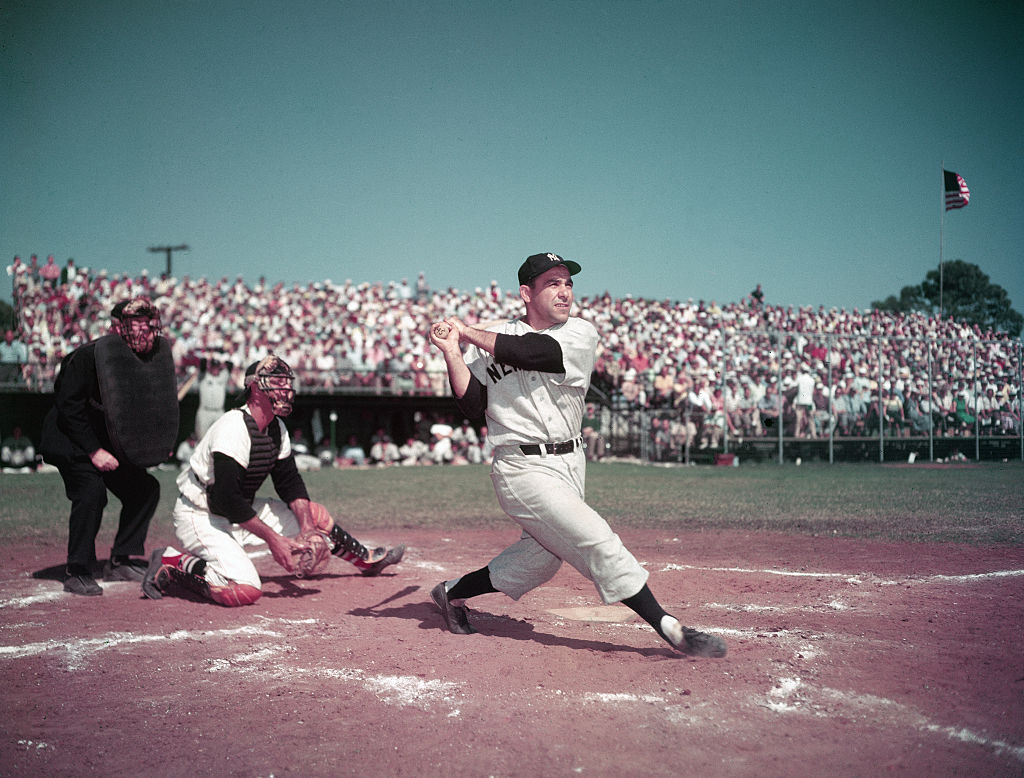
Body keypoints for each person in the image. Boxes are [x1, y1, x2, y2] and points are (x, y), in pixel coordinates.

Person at [426, 252, 726, 658]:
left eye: (568, 283)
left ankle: (451, 594)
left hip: (570, 461)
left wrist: (466, 331)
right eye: (552, 283)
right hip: (520, 466)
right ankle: (669, 627)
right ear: (526, 293)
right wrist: (452, 351)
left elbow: (536, 353)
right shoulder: (492, 337)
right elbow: (473, 406)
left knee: (540, 560)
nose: (564, 291)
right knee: (594, 538)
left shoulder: (579, 333)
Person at [142, 355, 405, 607]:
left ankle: (366, 561)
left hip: (238, 509)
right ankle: (173, 561)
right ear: (255, 388)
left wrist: (307, 528)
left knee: (315, 517)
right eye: (277, 382)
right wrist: (274, 539)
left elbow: (289, 482)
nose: (286, 388)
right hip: (202, 513)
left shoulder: (277, 428)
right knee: (245, 589)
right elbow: (225, 497)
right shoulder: (233, 426)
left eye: (286, 382)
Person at [39, 297, 179, 596]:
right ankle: (77, 570)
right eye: (136, 324)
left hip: (106, 441)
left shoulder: (145, 360)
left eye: (149, 324)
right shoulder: (87, 357)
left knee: (144, 489)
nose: (145, 331)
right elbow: (69, 408)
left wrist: (154, 445)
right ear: (116, 327)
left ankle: (120, 561)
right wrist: (93, 451)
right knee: (91, 492)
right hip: (72, 440)